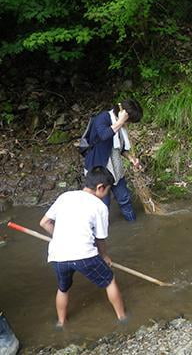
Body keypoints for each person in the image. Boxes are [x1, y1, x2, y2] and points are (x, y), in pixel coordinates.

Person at [39, 166, 126, 327]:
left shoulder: (65, 196)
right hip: (84, 255)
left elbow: (44, 223)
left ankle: (61, 323)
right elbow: (100, 239)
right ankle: (122, 318)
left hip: (58, 256)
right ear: (100, 187)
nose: (108, 194)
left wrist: (58, 237)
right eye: (107, 190)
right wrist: (105, 256)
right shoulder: (99, 206)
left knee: (63, 288)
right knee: (109, 280)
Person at [84, 99, 143, 221]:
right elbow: (104, 135)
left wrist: (132, 159)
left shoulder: (120, 126)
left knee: (124, 198)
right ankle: (102, 234)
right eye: (130, 121)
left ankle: (132, 222)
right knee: (102, 205)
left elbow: (119, 148)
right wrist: (121, 121)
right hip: (99, 170)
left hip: (116, 169)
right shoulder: (103, 118)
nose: (129, 124)